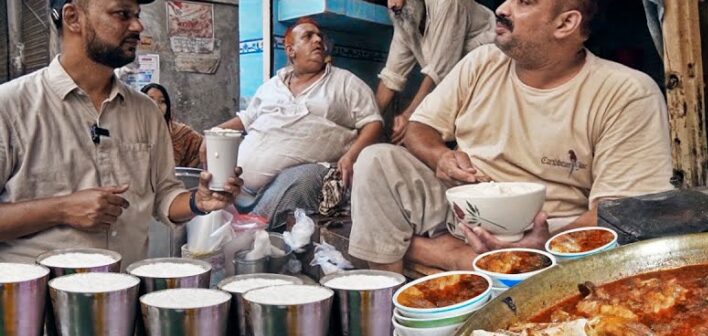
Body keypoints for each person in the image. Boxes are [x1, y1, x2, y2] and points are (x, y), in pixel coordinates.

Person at [0, 0, 242, 336]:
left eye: (137, 14)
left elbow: (165, 197)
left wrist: (198, 201)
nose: (137, 25)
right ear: (73, 17)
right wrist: (62, 209)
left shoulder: (145, 112)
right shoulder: (12, 106)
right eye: (121, 14)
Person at [349, 0, 673, 274]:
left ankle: (437, 254)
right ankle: (409, 282)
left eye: (524, 2)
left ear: (566, 23)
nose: (502, 9)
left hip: (551, 227)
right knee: (377, 159)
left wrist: (543, 247)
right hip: (463, 211)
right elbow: (420, 128)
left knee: (588, 252)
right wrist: (441, 156)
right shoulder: (482, 62)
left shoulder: (626, 92)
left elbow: (618, 212)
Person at [210, 18, 382, 227]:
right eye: (308, 36)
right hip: (241, 183)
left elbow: (373, 122)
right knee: (211, 180)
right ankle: (228, 227)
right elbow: (247, 119)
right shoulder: (271, 86)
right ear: (290, 50)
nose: (317, 40)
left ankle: (252, 232)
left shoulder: (345, 82)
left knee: (301, 179)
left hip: (300, 176)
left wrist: (350, 156)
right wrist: (213, 133)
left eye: (319, 36)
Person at [377, 0, 495, 144]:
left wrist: (409, 115)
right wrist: (371, 121)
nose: (392, 5)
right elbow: (392, 76)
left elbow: (439, 71)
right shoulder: (406, 18)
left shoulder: (448, 3)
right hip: (458, 89)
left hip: (491, 83)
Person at [142, 83, 204, 168]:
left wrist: (188, 168)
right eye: (150, 101)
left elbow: (205, 145)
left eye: (162, 101)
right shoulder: (132, 131)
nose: (156, 106)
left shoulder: (179, 133)